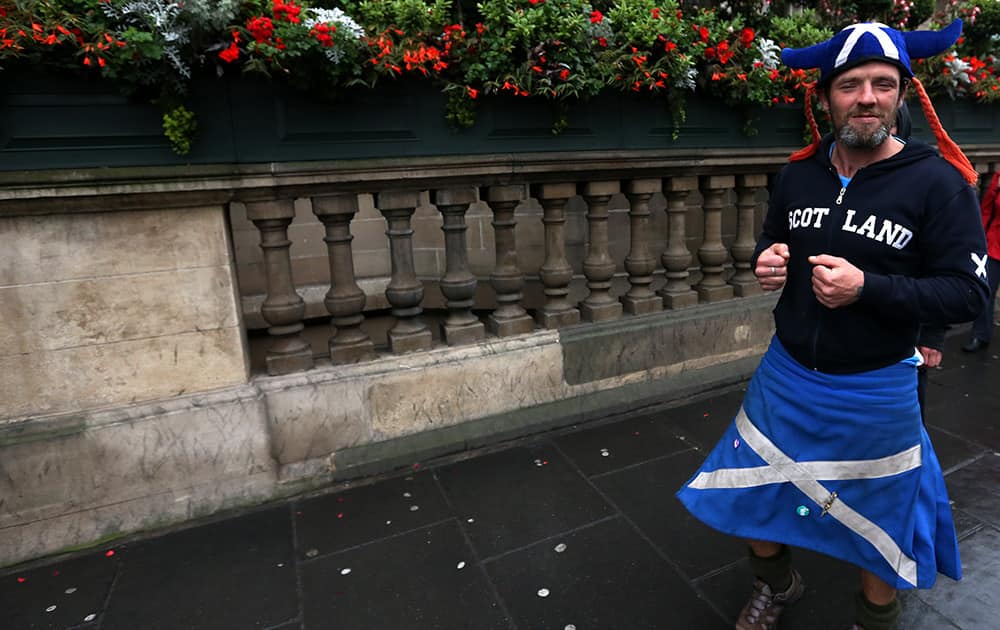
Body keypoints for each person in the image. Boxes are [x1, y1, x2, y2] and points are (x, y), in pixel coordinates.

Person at [675, 19, 990, 630]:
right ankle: (778, 585)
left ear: (903, 93)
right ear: (824, 96)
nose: (867, 97)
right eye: (850, 84)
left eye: (882, 83)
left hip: (877, 383)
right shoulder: (798, 173)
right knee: (752, 491)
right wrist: (765, 259)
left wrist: (867, 288)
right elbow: (774, 239)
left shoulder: (938, 183)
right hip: (787, 373)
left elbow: (968, 291)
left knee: (881, 516)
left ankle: (875, 617)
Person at [961, 169, 1000, 352]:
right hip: (994, 246)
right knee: (986, 290)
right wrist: (979, 239)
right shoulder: (999, 177)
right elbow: (986, 210)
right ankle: (980, 335)